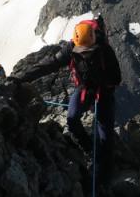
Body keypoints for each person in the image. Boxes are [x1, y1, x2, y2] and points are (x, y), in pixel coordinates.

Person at [12, 16, 122, 179]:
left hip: (103, 93)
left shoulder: (105, 50)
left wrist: (98, 80)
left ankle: (104, 172)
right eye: (81, 50)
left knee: (105, 133)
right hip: (84, 88)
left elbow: (116, 78)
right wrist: (20, 77)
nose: (84, 53)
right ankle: (90, 149)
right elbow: (48, 65)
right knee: (71, 119)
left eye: (88, 50)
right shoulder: (70, 49)